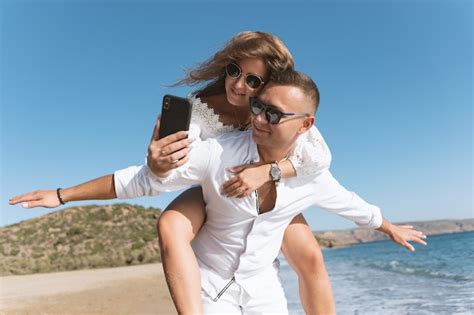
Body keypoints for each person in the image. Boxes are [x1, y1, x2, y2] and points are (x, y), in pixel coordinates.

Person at [10, 70, 427, 314]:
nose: (260, 118)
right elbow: (139, 181)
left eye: (275, 114)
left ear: (306, 124)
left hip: (264, 290)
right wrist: (62, 195)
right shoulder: (219, 154)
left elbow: (351, 204)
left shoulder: (313, 171)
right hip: (209, 288)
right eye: (258, 107)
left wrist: (388, 226)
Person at [11, 32, 337, 315]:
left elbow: (319, 156)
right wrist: (63, 194)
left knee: (309, 255)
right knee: (170, 224)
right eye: (234, 70)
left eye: (252, 80)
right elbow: (153, 177)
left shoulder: (280, 111)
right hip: (218, 182)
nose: (238, 84)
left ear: (271, 84)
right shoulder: (198, 111)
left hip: (267, 183)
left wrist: (271, 170)